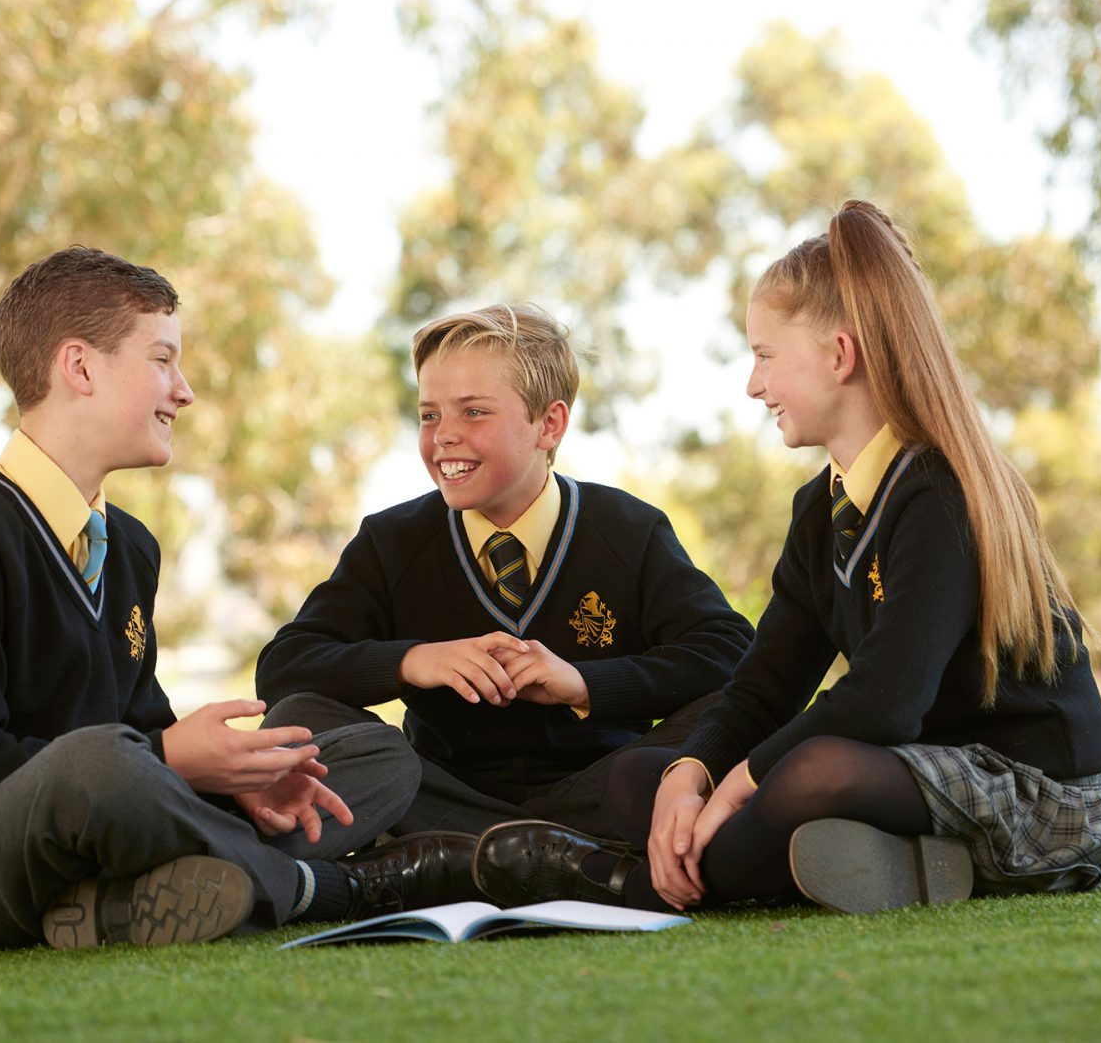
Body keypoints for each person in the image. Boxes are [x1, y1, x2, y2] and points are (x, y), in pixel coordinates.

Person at [472, 201, 1101, 915]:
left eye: (764, 356)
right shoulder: (820, 512)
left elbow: (885, 701)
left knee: (812, 773)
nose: (753, 384)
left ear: (839, 356)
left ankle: (612, 882)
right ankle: (886, 861)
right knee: (639, 777)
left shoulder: (939, 492)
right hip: (909, 776)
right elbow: (764, 686)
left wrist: (736, 786)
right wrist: (693, 774)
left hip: (1039, 795)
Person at [0, 246, 472, 955]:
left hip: (101, 837)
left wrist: (236, 783)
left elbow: (141, 728)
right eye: (162, 360)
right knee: (99, 764)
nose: (184, 391)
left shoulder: (131, 546)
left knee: (378, 756)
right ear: (80, 368)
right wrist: (171, 759)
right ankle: (330, 888)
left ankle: (120, 906)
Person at [255, 303, 753, 839]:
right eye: (429, 415)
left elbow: (731, 653)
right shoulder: (390, 541)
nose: (443, 435)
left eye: (473, 412)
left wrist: (582, 684)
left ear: (549, 424)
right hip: (439, 795)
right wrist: (412, 660)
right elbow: (286, 667)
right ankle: (553, 854)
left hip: (598, 790)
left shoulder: (629, 529)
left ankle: (477, 855)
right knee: (301, 714)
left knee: (738, 710)